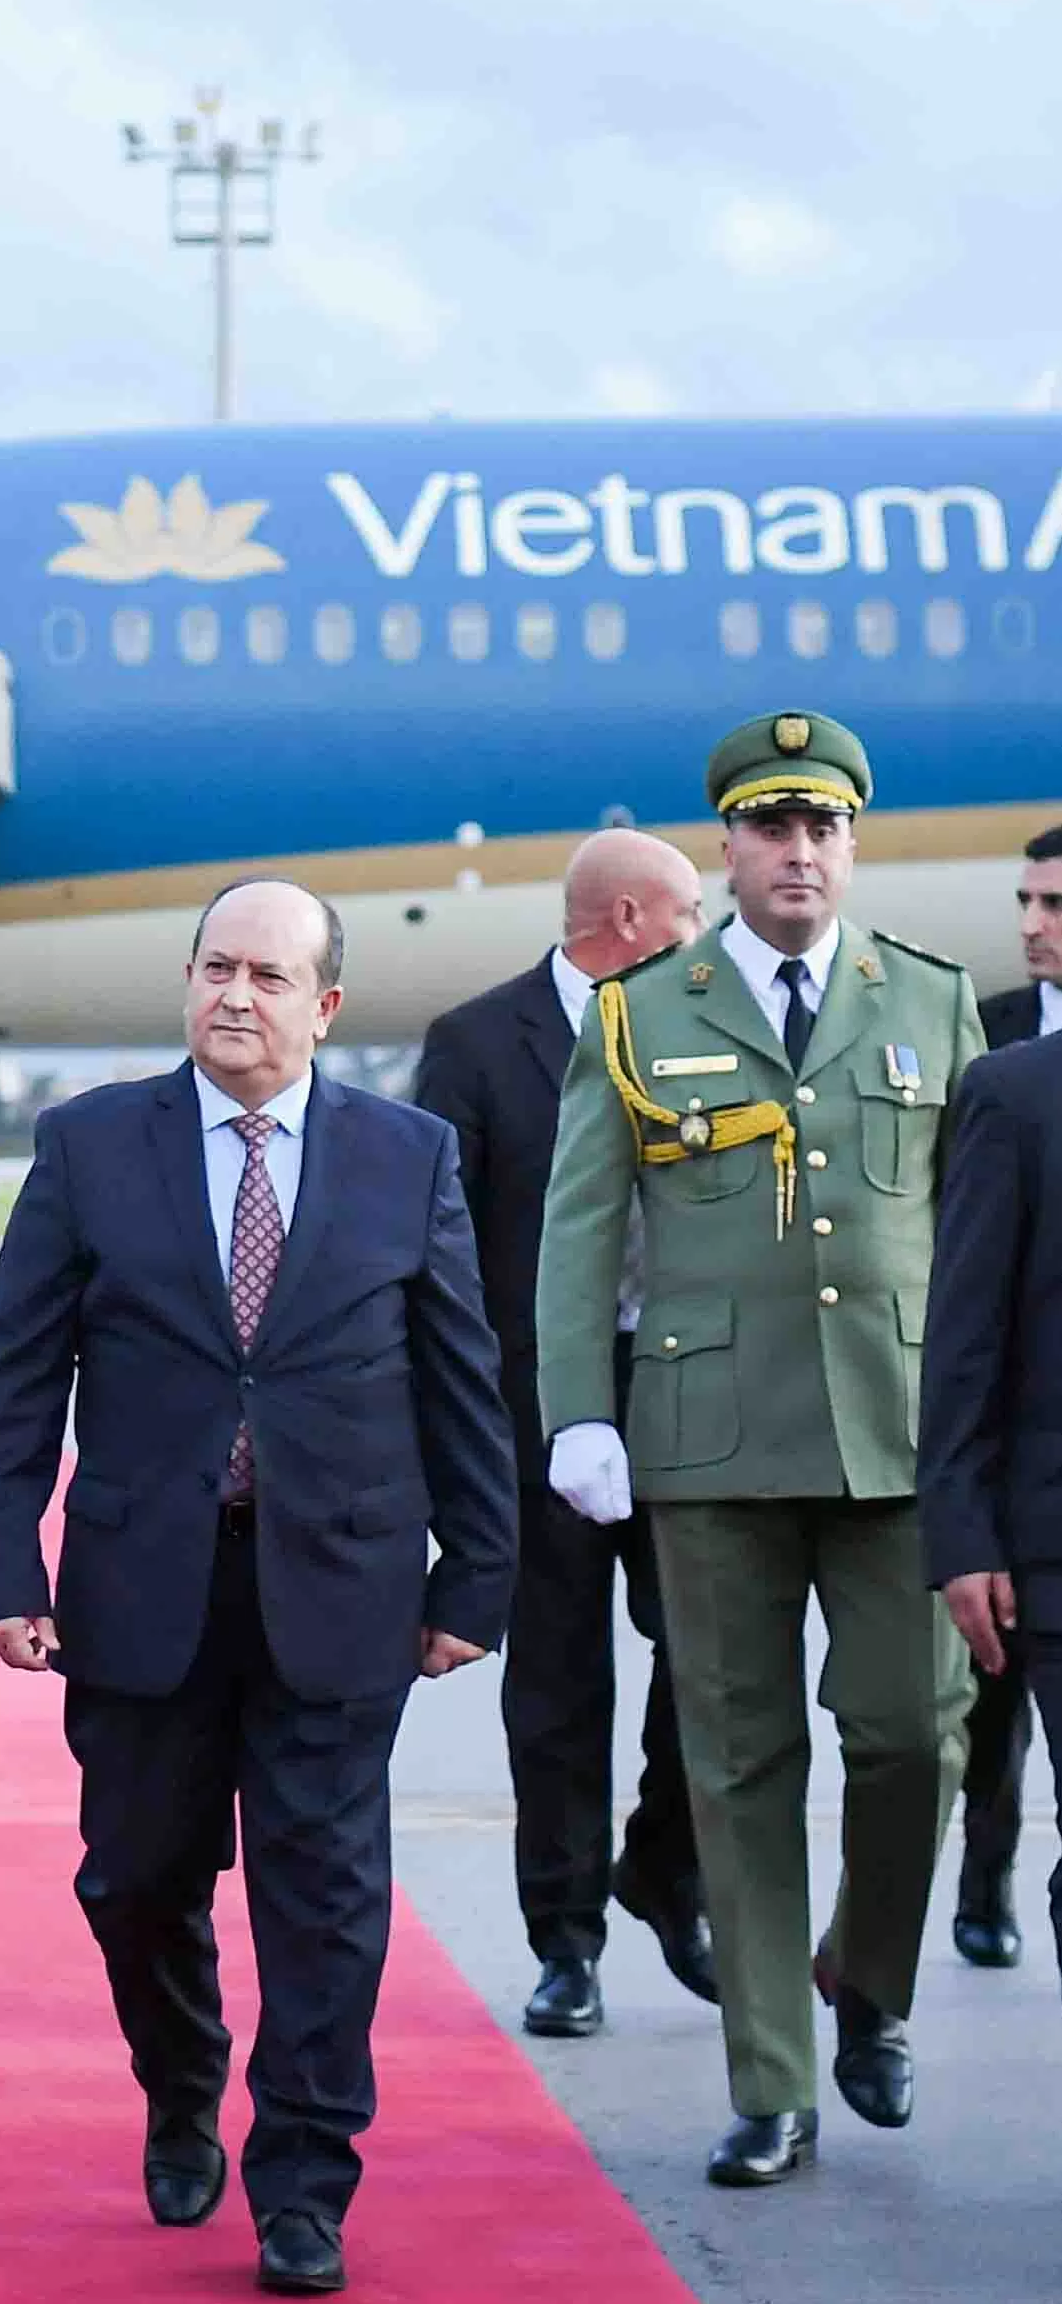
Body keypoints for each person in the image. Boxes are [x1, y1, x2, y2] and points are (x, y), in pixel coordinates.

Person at [0, 879, 512, 2295]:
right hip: (143, 1588)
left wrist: (480, 1574)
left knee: (323, 1895)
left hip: (345, 1584)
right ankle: (179, 2077)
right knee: (137, 1881)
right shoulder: (91, 1145)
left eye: (269, 976)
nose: (234, 996)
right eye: (216, 967)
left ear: (324, 1005)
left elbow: (462, 1379)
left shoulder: (408, 1156)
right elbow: (18, 1374)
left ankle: (305, 2181)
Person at [536, 709, 983, 2188]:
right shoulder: (639, 1010)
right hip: (710, 1443)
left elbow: (975, 1237)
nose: (800, 853)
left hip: (899, 1438)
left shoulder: (926, 999)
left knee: (912, 1739)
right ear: (725, 846)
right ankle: (774, 2082)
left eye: (825, 828)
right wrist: (577, 1413)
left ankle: (867, 1982)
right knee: (738, 1764)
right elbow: (580, 1228)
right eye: (772, 828)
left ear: (852, 843)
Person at [409, 829, 717, 2037]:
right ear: (632, 917)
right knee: (555, 1683)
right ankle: (568, 1937)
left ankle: (662, 1862)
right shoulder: (480, 1045)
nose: (705, 930)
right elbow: (433, 1253)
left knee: (709, 1660)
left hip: (692, 1402)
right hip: (532, 1415)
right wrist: (451, 1430)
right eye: (690, 910)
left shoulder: (707, 1029)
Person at [946, 820, 1062, 1963]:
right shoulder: (1002, 1074)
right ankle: (985, 1888)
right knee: (988, 1730)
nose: (1031, 927)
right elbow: (965, 1325)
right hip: (1041, 1518)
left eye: (1054, 905)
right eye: (1027, 903)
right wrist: (965, 1525)